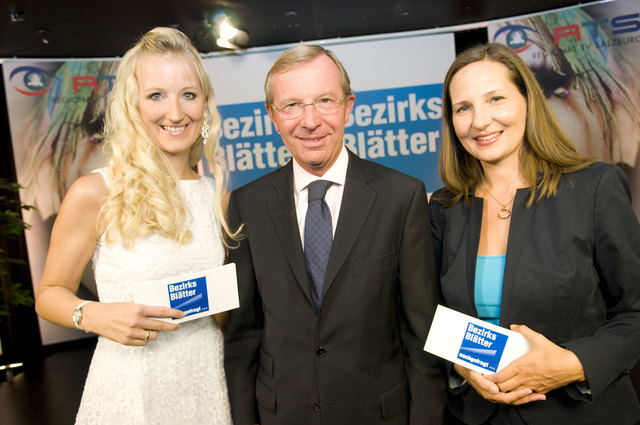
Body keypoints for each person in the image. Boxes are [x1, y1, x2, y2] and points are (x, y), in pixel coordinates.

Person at [223, 44, 446, 425]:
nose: (309, 121)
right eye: (291, 105)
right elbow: (243, 336)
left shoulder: (401, 197)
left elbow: (421, 332)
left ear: (348, 105)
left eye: (325, 100)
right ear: (271, 116)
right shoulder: (248, 204)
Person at [34, 27, 237, 424]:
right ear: (133, 106)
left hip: (205, 388)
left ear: (205, 105)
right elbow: (49, 294)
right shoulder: (95, 192)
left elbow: (225, 312)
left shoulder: (219, 199)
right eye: (156, 95)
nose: (175, 112)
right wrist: (93, 315)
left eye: (188, 94)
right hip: (129, 393)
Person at [430, 42, 640, 424]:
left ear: (528, 100)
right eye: (464, 108)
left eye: (495, 99)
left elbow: (636, 312)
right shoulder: (444, 209)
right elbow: (431, 318)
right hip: (477, 416)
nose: (479, 121)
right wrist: (463, 370)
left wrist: (572, 364)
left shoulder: (595, 188)